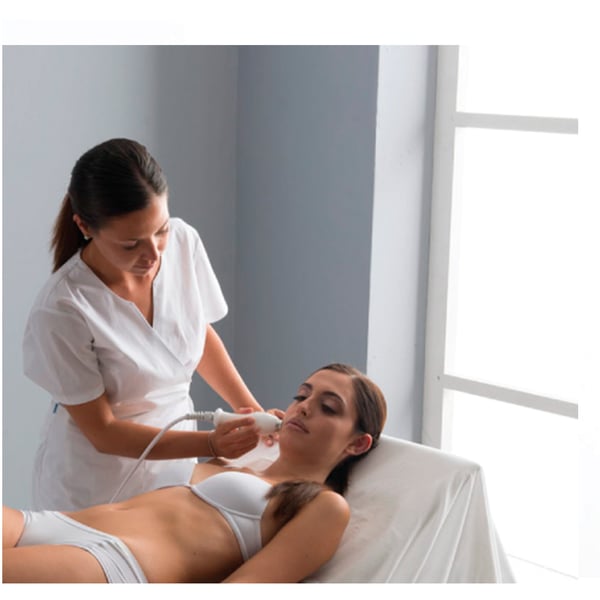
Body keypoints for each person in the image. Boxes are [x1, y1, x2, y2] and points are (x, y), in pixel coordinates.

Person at [22, 138, 274, 512]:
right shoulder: (63, 307)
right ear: (85, 226)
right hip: (95, 484)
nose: (153, 254)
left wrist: (251, 412)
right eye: (131, 244)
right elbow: (103, 432)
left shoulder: (184, 241)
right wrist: (211, 444)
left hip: (173, 469)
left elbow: (195, 335)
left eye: (161, 230)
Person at [3, 363, 387, 584]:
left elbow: (246, 587)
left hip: (115, 563)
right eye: (302, 395)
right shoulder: (238, 464)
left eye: (328, 407)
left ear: (357, 444)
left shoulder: (325, 506)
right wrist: (247, 437)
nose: (303, 407)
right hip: (61, 523)